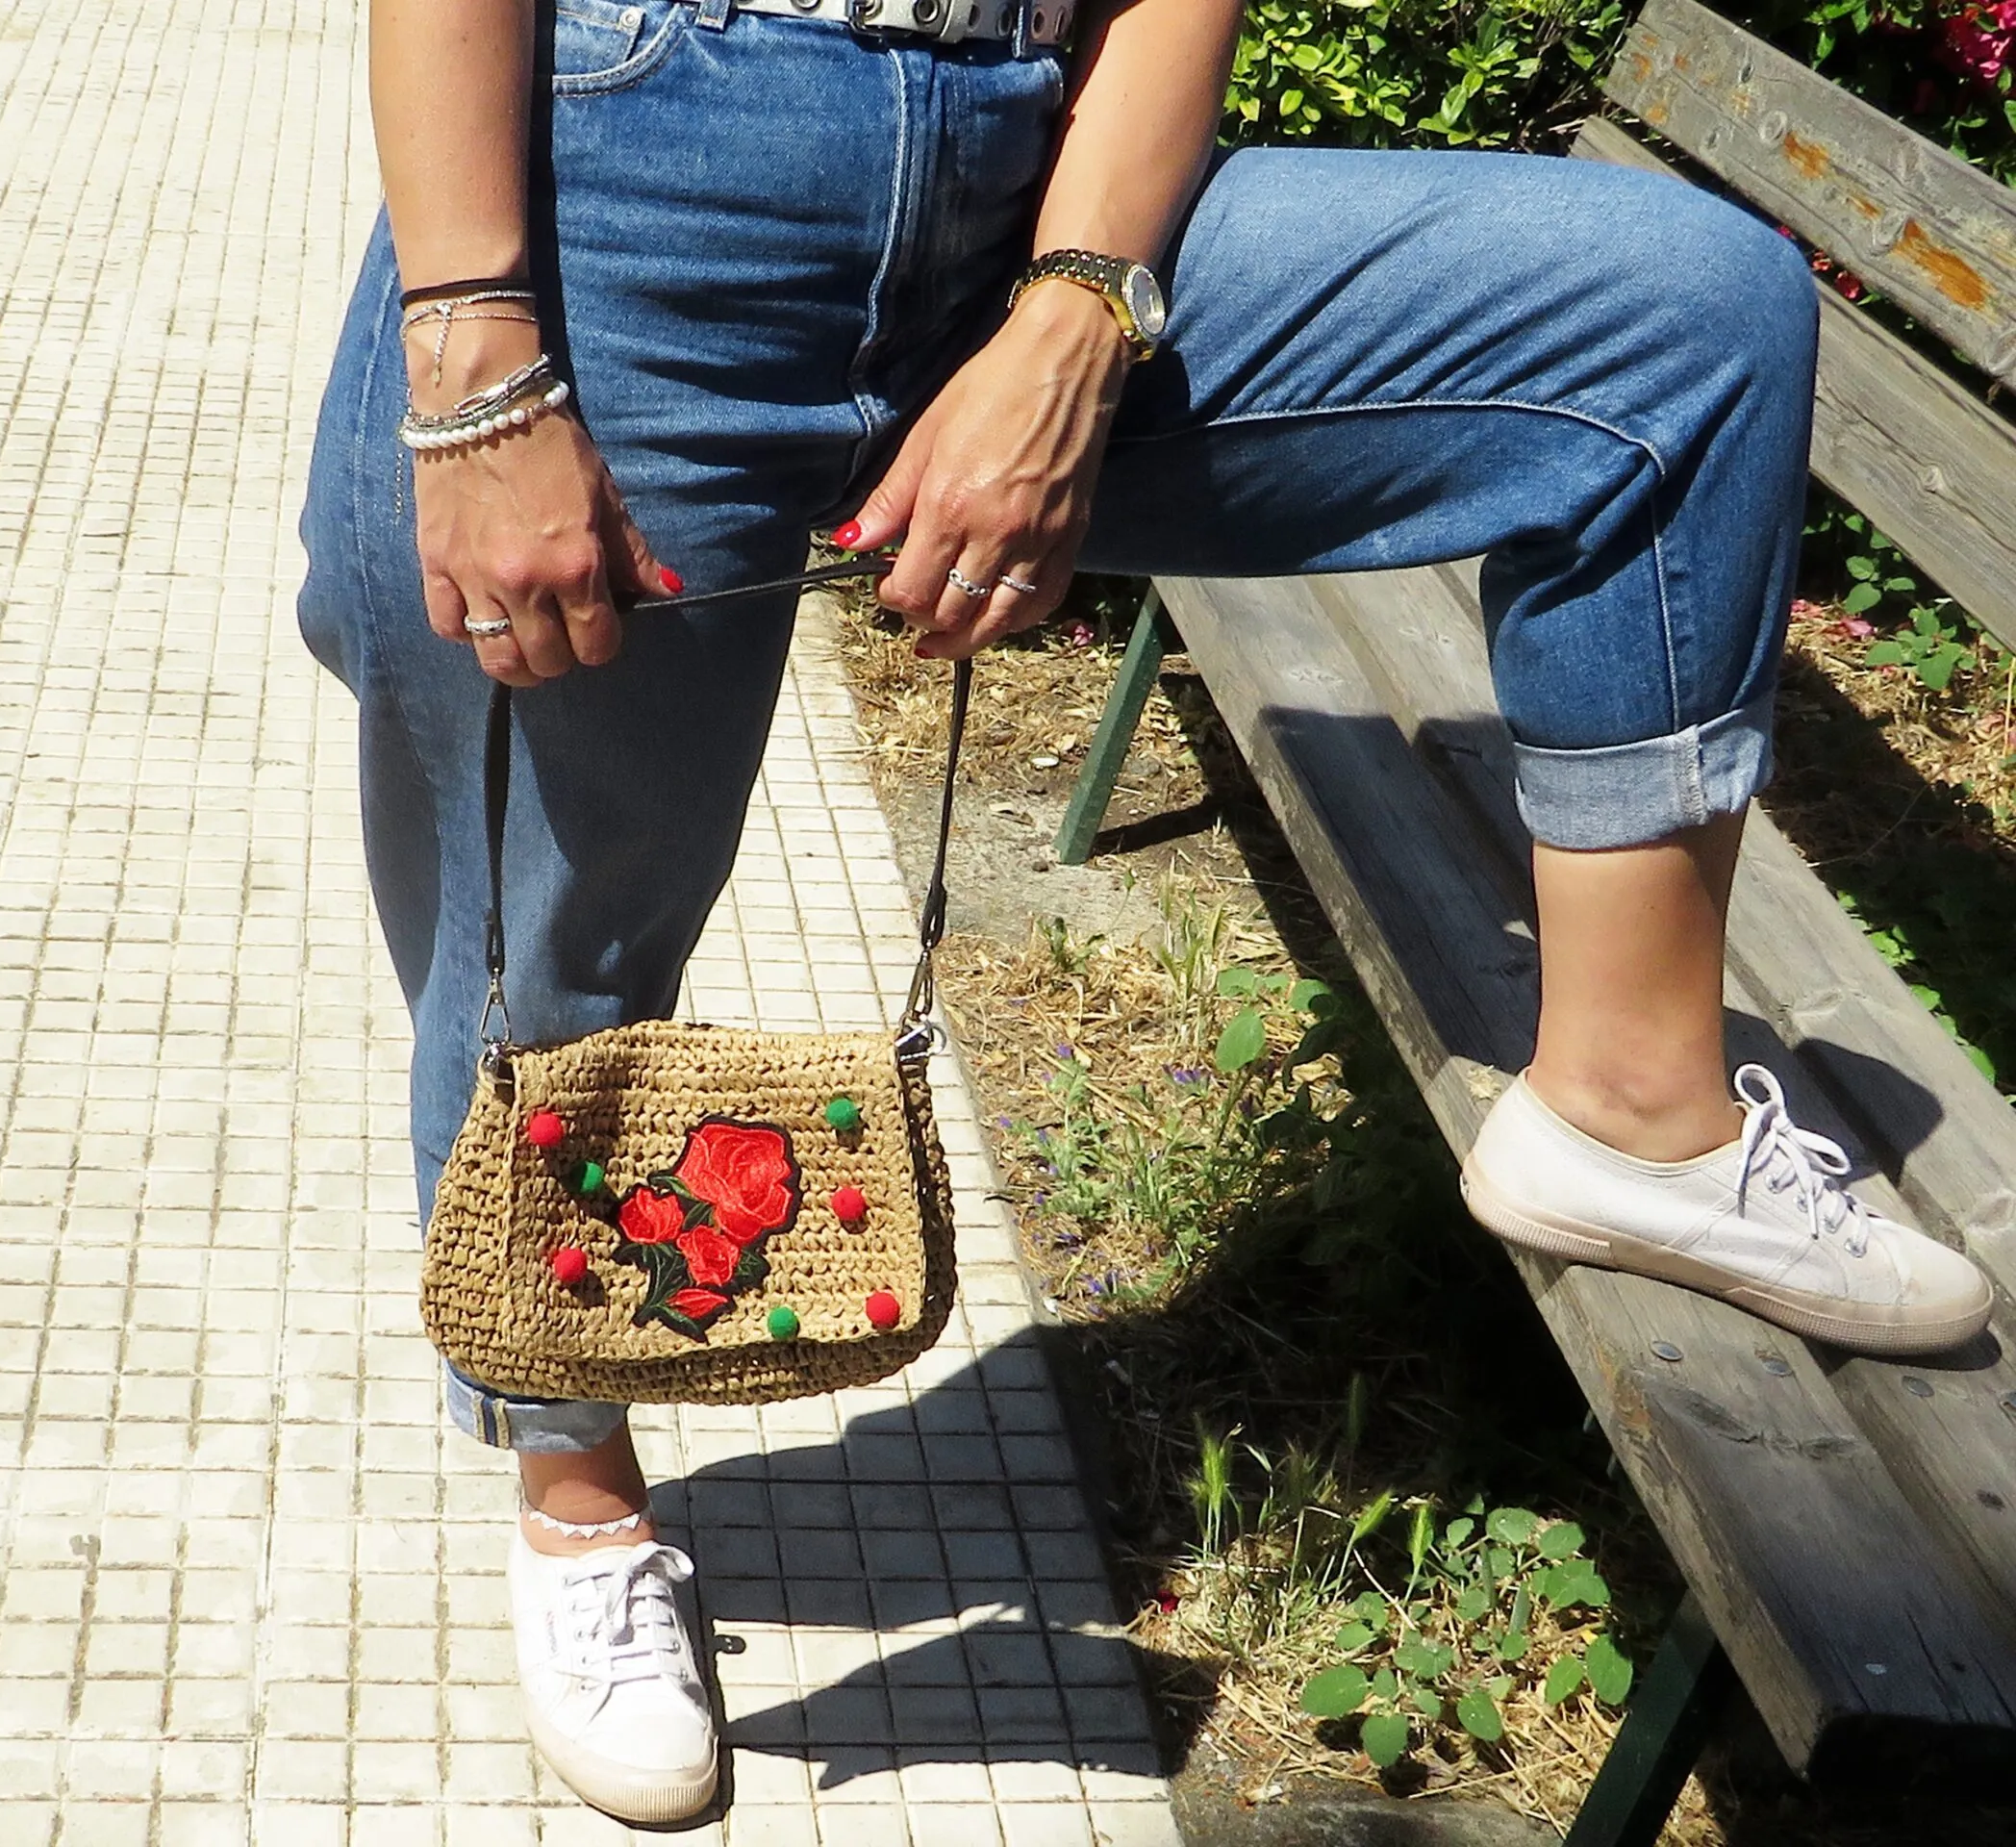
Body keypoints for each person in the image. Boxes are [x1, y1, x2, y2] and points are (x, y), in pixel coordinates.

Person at [297, 0, 1997, 1821]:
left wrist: (1079, 310)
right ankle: (580, 1506)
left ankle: (1634, 1112)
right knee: (550, 959)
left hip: (1039, 168)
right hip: (632, 185)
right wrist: (476, 357)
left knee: (1680, 316)